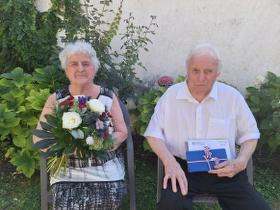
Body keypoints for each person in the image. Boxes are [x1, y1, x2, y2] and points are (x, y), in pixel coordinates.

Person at [144, 43, 271, 210]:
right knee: (171, 206)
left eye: (208, 71)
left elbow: (250, 135)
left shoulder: (232, 97)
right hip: (183, 168)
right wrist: (170, 162)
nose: (201, 77)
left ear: (218, 73)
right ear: (187, 69)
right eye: (195, 70)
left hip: (225, 170)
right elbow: (153, 134)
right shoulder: (171, 96)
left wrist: (241, 161)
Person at [33, 40, 128, 210]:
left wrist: (101, 144)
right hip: (68, 171)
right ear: (66, 68)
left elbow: (122, 132)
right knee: (66, 205)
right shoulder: (57, 99)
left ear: (94, 67)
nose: (80, 69)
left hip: (104, 168)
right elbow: (38, 136)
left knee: (109, 201)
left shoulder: (108, 97)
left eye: (86, 64)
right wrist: (67, 147)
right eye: (74, 64)